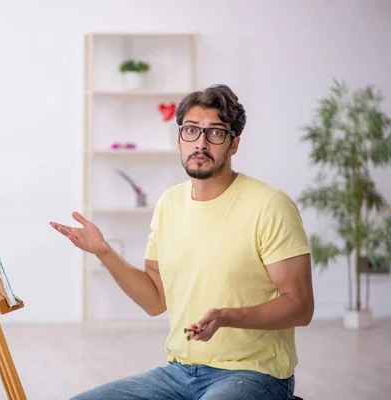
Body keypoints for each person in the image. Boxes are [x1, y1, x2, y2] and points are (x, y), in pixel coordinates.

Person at [49, 84, 314, 400]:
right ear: (179, 140)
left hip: (255, 373)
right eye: (191, 131)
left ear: (234, 144)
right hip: (179, 372)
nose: (200, 143)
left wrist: (229, 317)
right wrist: (104, 252)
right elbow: (154, 300)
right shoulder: (169, 204)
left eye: (215, 133)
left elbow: (300, 306)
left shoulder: (270, 205)